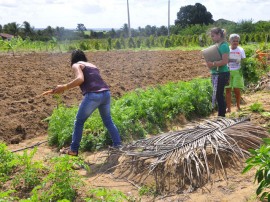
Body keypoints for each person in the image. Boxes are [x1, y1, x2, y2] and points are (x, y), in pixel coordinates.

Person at [52, 49, 122, 156]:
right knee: (108, 121)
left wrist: (64, 87)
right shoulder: (92, 65)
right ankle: (118, 146)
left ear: (73, 59)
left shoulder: (76, 65)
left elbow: (80, 79)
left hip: (93, 95)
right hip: (106, 93)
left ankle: (73, 149)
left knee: (79, 121)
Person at [206, 27, 230, 117]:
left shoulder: (224, 46)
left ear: (219, 35)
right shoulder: (216, 46)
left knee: (219, 95)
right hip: (216, 73)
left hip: (222, 74)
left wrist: (212, 63)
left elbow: (224, 61)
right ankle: (221, 115)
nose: (212, 38)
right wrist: (210, 64)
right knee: (218, 95)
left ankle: (221, 116)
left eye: (213, 36)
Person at [225, 34, 246, 112]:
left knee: (237, 89)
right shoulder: (227, 49)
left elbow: (244, 61)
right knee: (228, 90)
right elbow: (224, 59)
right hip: (228, 71)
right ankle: (229, 108)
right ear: (230, 41)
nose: (236, 42)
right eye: (234, 41)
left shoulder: (241, 50)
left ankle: (238, 106)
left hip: (237, 71)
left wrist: (242, 64)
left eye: (237, 41)